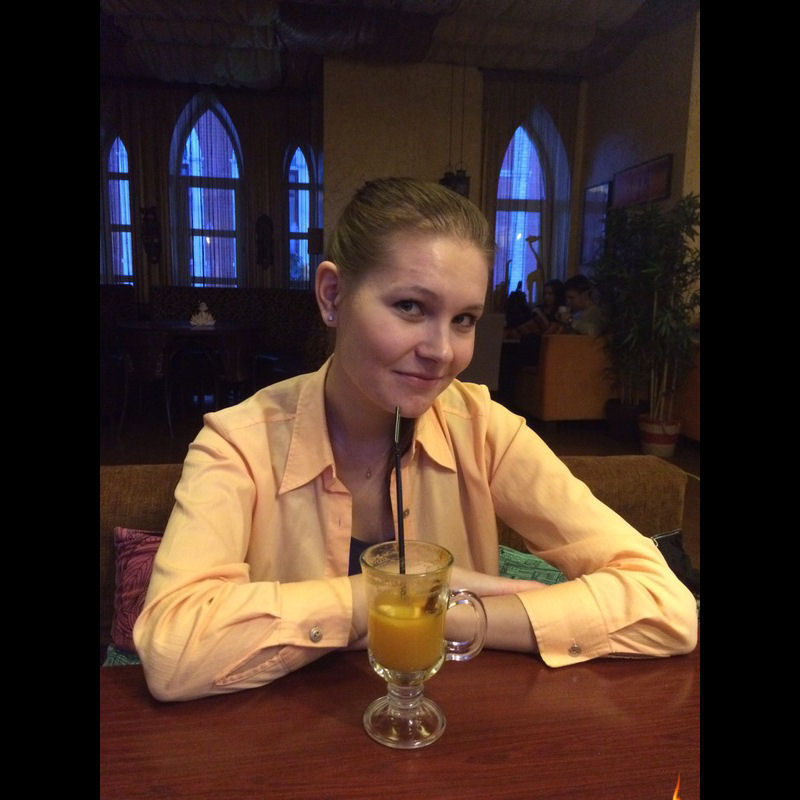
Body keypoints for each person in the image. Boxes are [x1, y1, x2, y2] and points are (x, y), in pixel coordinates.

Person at [133, 177, 697, 701]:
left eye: (464, 319)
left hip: (455, 732)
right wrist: (387, 594)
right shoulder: (238, 442)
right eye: (410, 307)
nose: (442, 352)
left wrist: (449, 611)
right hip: (286, 741)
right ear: (332, 295)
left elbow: (666, 605)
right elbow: (172, 650)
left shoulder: (483, 428)